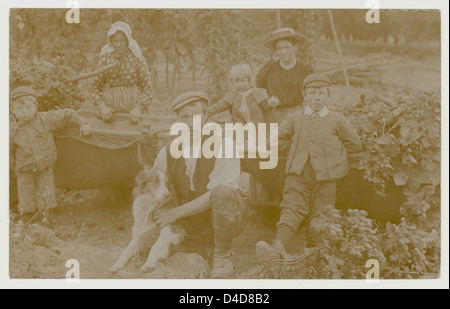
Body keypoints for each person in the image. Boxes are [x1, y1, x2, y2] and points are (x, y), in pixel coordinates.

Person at [255, 74, 362, 261]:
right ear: (305, 95)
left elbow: (354, 144)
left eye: (321, 93)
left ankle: (313, 253)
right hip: (298, 174)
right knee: (292, 207)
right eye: (312, 93)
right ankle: (277, 249)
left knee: (322, 214)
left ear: (328, 94)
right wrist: (295, 149)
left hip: (326, 179)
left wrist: (336, 159)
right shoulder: (295, 118)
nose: (317, 97)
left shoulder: (337, 119)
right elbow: (274, 140)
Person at [151, 91, 247, 279]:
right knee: (147, 245)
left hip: (224, 216)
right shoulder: (167, 152)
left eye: (195, 117)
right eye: (184, 117)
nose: (190, 123)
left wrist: (175, 213)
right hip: (190, 222)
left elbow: (218, 195)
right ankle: (195, 244)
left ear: (205, 117)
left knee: (223, 192)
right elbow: (153, 189)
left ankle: (223, 256)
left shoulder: (225, 145)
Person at [10, 86, 92, 215]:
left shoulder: (46, 119)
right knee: (26, 200)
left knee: (46, 198)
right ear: (12, 110)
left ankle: (47, 226)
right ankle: (29, 225)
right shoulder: (11, 129)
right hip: (24, 171)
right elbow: (9, 151)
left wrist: (82, 124)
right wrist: (15, 167)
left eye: (28, 107)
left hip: (44, 168)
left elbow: (67, 114)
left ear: (36, 107)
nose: (24, 112)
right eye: (20, 108)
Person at [90, 21, 154, 122]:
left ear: (128, 41)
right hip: (109, 114)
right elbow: (94, 87)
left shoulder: (137, 59)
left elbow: (148, 87)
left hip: (134, 113)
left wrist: (139, 108)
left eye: (122, 40)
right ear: (111, 41)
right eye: (115, 41)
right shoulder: (105, 59)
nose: (119, 44)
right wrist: (102, 107)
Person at [255, 28, 313, 124]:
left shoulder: (305, 69)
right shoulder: (269, 68)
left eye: (287, 47)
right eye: (279, 48)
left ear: (295, 47)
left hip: (297, 113)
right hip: (273, 115)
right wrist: (267, 104)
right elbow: (257, 90)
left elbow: (314, 92)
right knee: (274, 139)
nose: (283, 52)